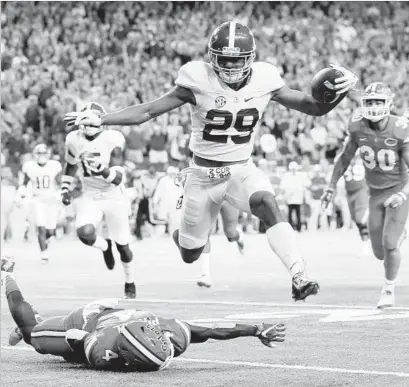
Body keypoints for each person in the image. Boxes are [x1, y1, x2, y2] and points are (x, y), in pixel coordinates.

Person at [65, 21, 358, 301]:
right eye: (224, 59)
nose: (230, 66)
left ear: (251, 58)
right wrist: (103, 118)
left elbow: (313, 107)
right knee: (190, 254)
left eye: (237, 60)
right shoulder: (196, 79)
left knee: (267, 203)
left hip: (241, 168)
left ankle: (299, 275)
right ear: (212, 57)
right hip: (203, 175)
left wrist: (337, 94)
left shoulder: (266, 79)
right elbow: (149, 111)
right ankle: (176, 228)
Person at [1, 255, 286, 372]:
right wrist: (76, 338)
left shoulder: (171, 333)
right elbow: (80, 344)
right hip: (87, 321)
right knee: (34, 337)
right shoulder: (102, 349)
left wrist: (255, 330)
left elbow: (210, 332)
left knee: (64, 355)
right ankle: (7, 274)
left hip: (111, 323)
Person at [321, 82, 409, 308]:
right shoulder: (358, 127)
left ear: (388, 103)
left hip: (398, 191)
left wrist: (403, 194)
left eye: (378, 101)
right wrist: (331, 186)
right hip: (375, 194)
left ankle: (388, 289)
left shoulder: (399, 128)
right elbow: (344, 158)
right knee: (379, 253)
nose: (373, 106)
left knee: (390, 244)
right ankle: (400, 234)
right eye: (369, 101)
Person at [61, 102, 136, 299]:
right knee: (84, 233)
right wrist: (65, 189)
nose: (85, 127)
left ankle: (130, 280)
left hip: (114, 195)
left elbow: (117, 178)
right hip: (90, 195)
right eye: (83, 122)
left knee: (124, 247)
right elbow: (70, 166)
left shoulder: (113, 138)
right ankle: (105, 246)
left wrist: (100, 168)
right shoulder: (73, 139)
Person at [17, 144, 62, 263]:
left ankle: (46, 240)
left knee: (51, 230)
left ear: (48, 154)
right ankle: (44, 254)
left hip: (51, 200)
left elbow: (59, 182)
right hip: (38, 200)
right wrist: (22, 190)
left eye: (44, 153)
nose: (42, 156)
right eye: (39, 153)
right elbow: (25, 182)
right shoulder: (30, 167)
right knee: (41, 227)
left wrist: (62, 192)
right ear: (35, 155)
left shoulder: (54, 166)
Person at [342, 152, 371, 256]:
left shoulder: (366, 156)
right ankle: (365, 243)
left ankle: (366, 244)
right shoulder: (343, 156)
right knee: (356, 220)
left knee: (360, 219)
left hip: (361, 190)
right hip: (349, 192)